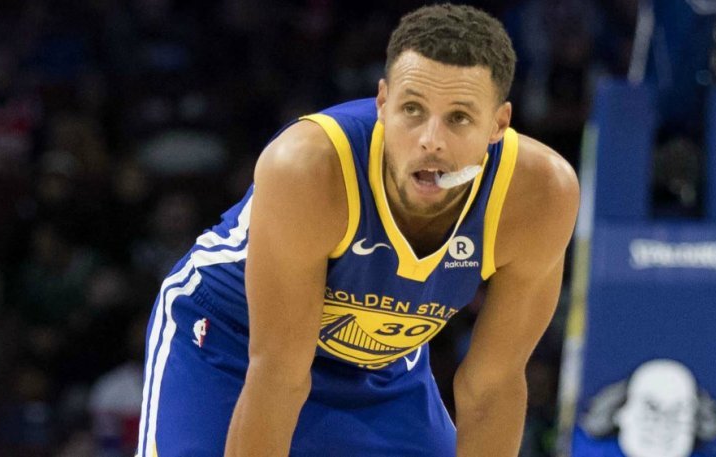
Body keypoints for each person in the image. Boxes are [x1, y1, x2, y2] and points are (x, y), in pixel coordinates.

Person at [136, 4, 579, 456]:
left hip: (379, 366)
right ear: (383, 103)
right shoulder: (308, 167)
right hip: (231, 340)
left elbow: (492, 387)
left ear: (498, 124)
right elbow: (279, 375)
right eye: (412, 109)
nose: (431, 140)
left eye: (459, 118)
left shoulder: (539, 196)